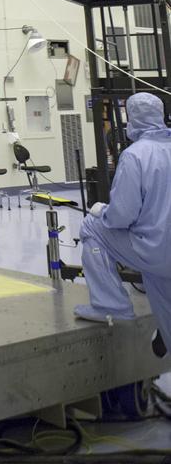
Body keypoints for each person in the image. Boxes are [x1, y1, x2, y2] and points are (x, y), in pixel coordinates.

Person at [75, 92, 171, 353]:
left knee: (92, 226)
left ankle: (111, 306)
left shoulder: (135, 155)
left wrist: (101, 211)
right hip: (163, 256)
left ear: (133, 118)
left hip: (153, 250)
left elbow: (122, 216)